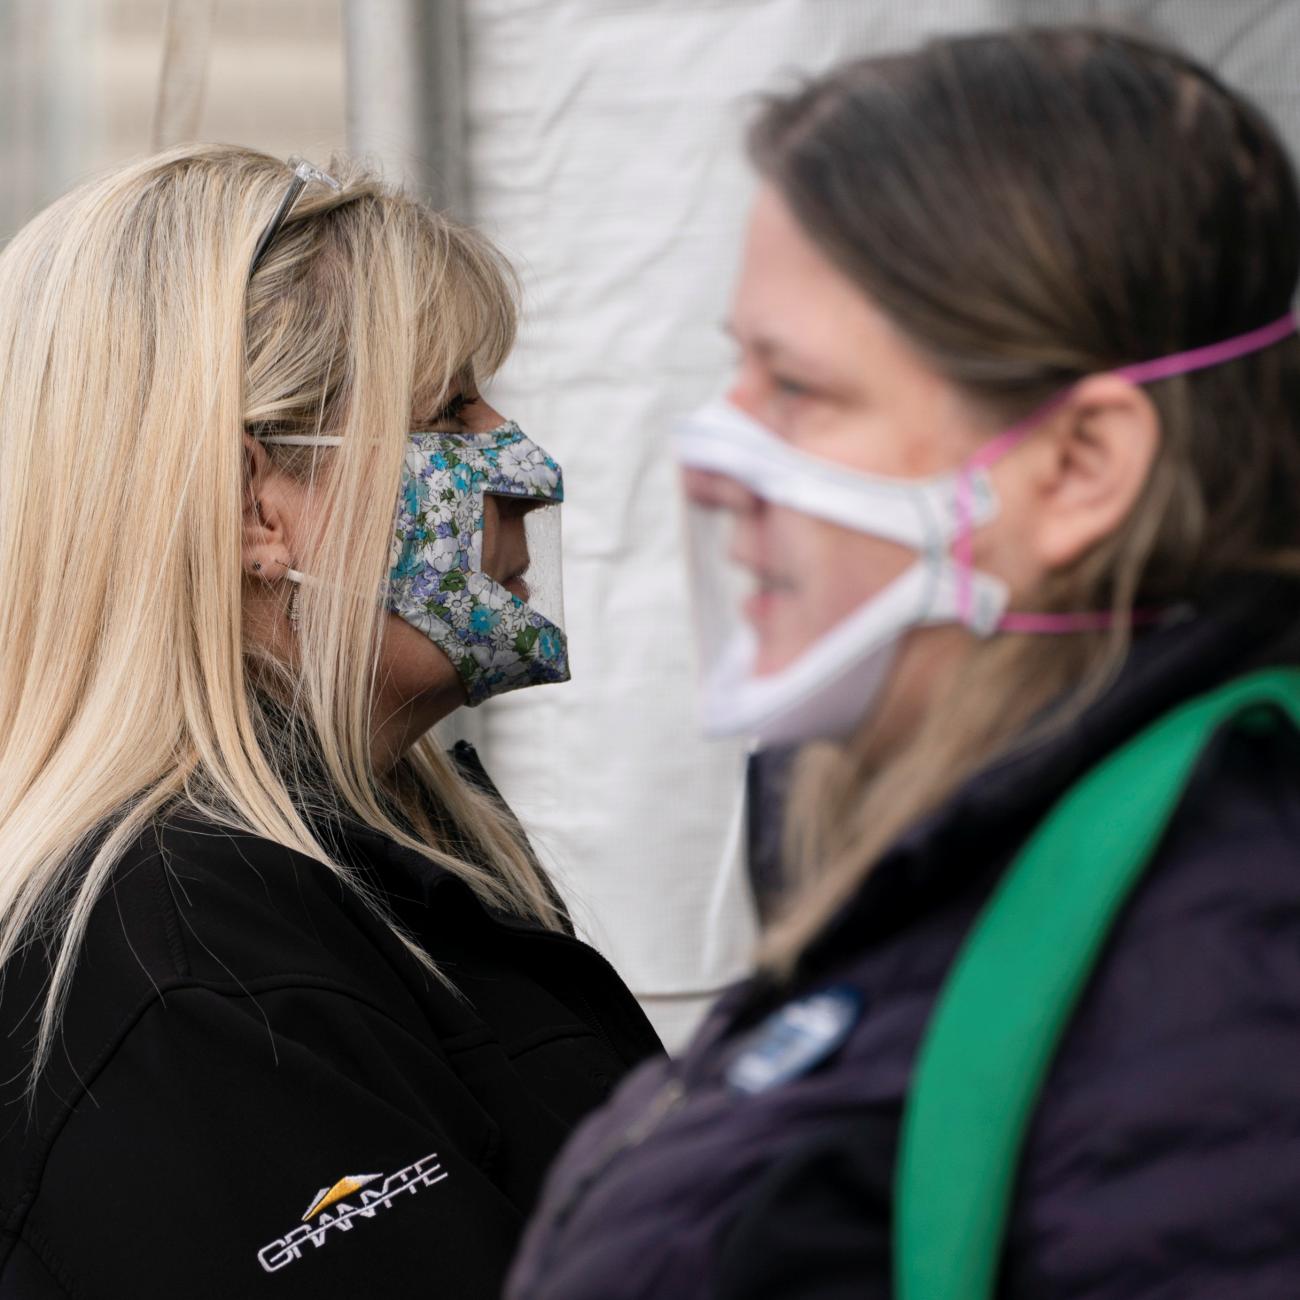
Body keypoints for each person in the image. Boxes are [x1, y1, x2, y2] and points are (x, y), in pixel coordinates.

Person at [508, 26, 1300, 1298]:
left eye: (800, 385)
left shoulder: (1221, 988)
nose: (720, 451)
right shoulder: (948, 841)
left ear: (1081, 466)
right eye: (738, 365)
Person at [0, 145, 660, 1299]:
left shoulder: (400, 847)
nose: (524, 466)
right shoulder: (189, 970)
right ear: (260, 501)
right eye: (451, 409)